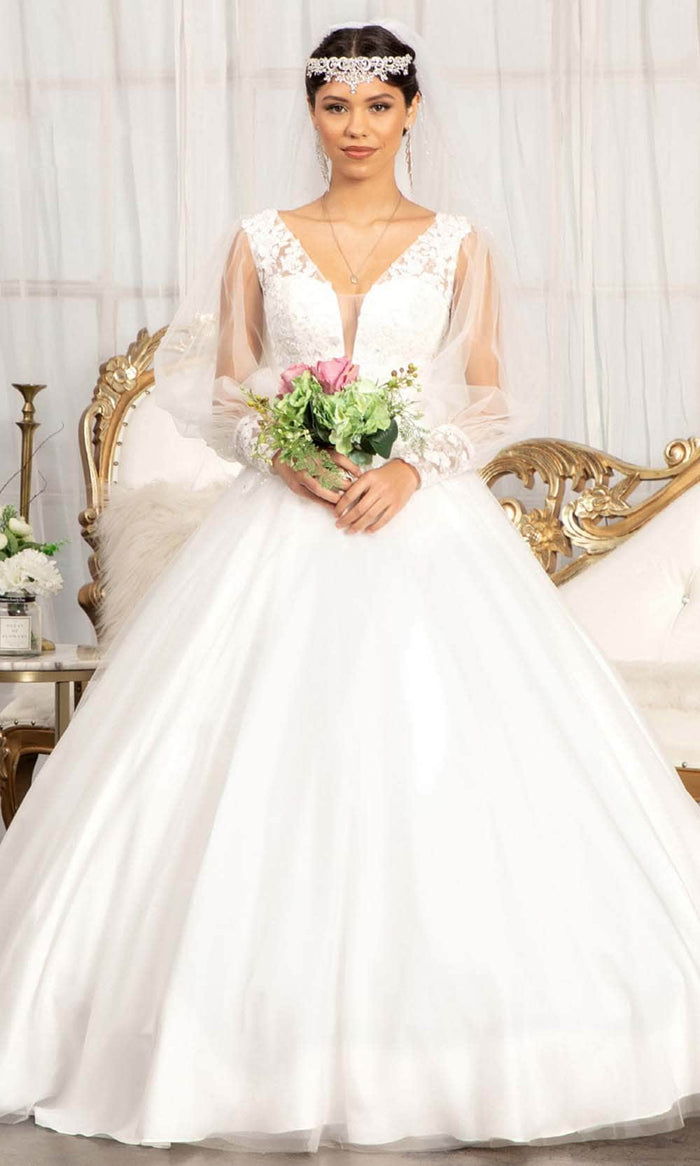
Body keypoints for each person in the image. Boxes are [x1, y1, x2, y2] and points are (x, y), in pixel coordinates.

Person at [0, 15, 699, 1156]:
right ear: (312, 113)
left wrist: (413, 467)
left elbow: (488, 393)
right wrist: (284, 454)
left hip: (423, 523)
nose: (357, 126)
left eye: (379, 105)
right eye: (336, 106)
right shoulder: (260, 239)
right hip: (284, 519)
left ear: (412, 112)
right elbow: (225, 388)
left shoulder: (458, 243)